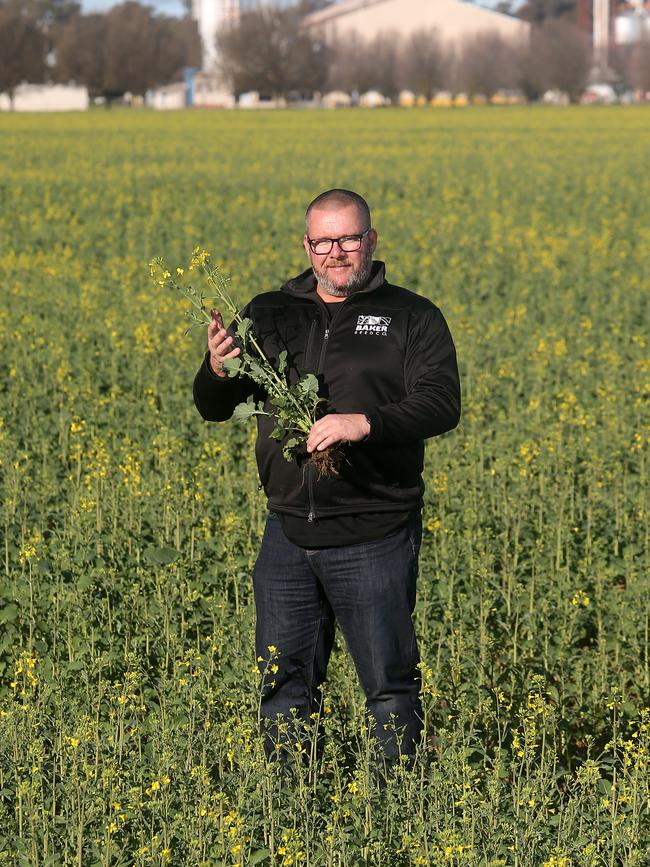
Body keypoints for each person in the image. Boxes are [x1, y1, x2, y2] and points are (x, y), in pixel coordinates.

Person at [193, 189, 461, 768]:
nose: (336, 252)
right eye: (323, 242)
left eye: (348, 239)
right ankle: (292, 813)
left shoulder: (412, 315)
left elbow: (441, 404)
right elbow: (215, 406)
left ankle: (400, 815)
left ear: (370, 241)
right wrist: (216, 368)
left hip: (374, 533)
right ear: (306, 246)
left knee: (389, 691)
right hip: (287, 535)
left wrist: (364, 422)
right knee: (283, 694)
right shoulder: (268, 312)